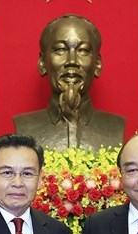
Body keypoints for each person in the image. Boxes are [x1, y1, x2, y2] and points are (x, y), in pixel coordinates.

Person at [14, 14, 125, 151]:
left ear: (97, 64)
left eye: (83, 50)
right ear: (42, 63)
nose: (72, 61)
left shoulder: (116, 127)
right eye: (60, 49)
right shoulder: (24, 126)